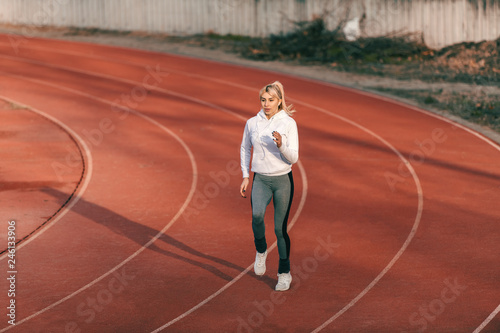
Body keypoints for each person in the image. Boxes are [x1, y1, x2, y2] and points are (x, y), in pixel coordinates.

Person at [240, 81, 299, 291]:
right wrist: (246, 176)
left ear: (279, 101)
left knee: (279, 229)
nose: (266, 104)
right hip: (261, 179)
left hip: (282, 180)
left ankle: (284, 273)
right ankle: (261, 250)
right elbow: (245, 148)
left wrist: (281, 144)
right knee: (256, 217)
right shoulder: (251, 123)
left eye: (271, 100)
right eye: (263, 100)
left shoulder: (288, 123)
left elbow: (294, 157)